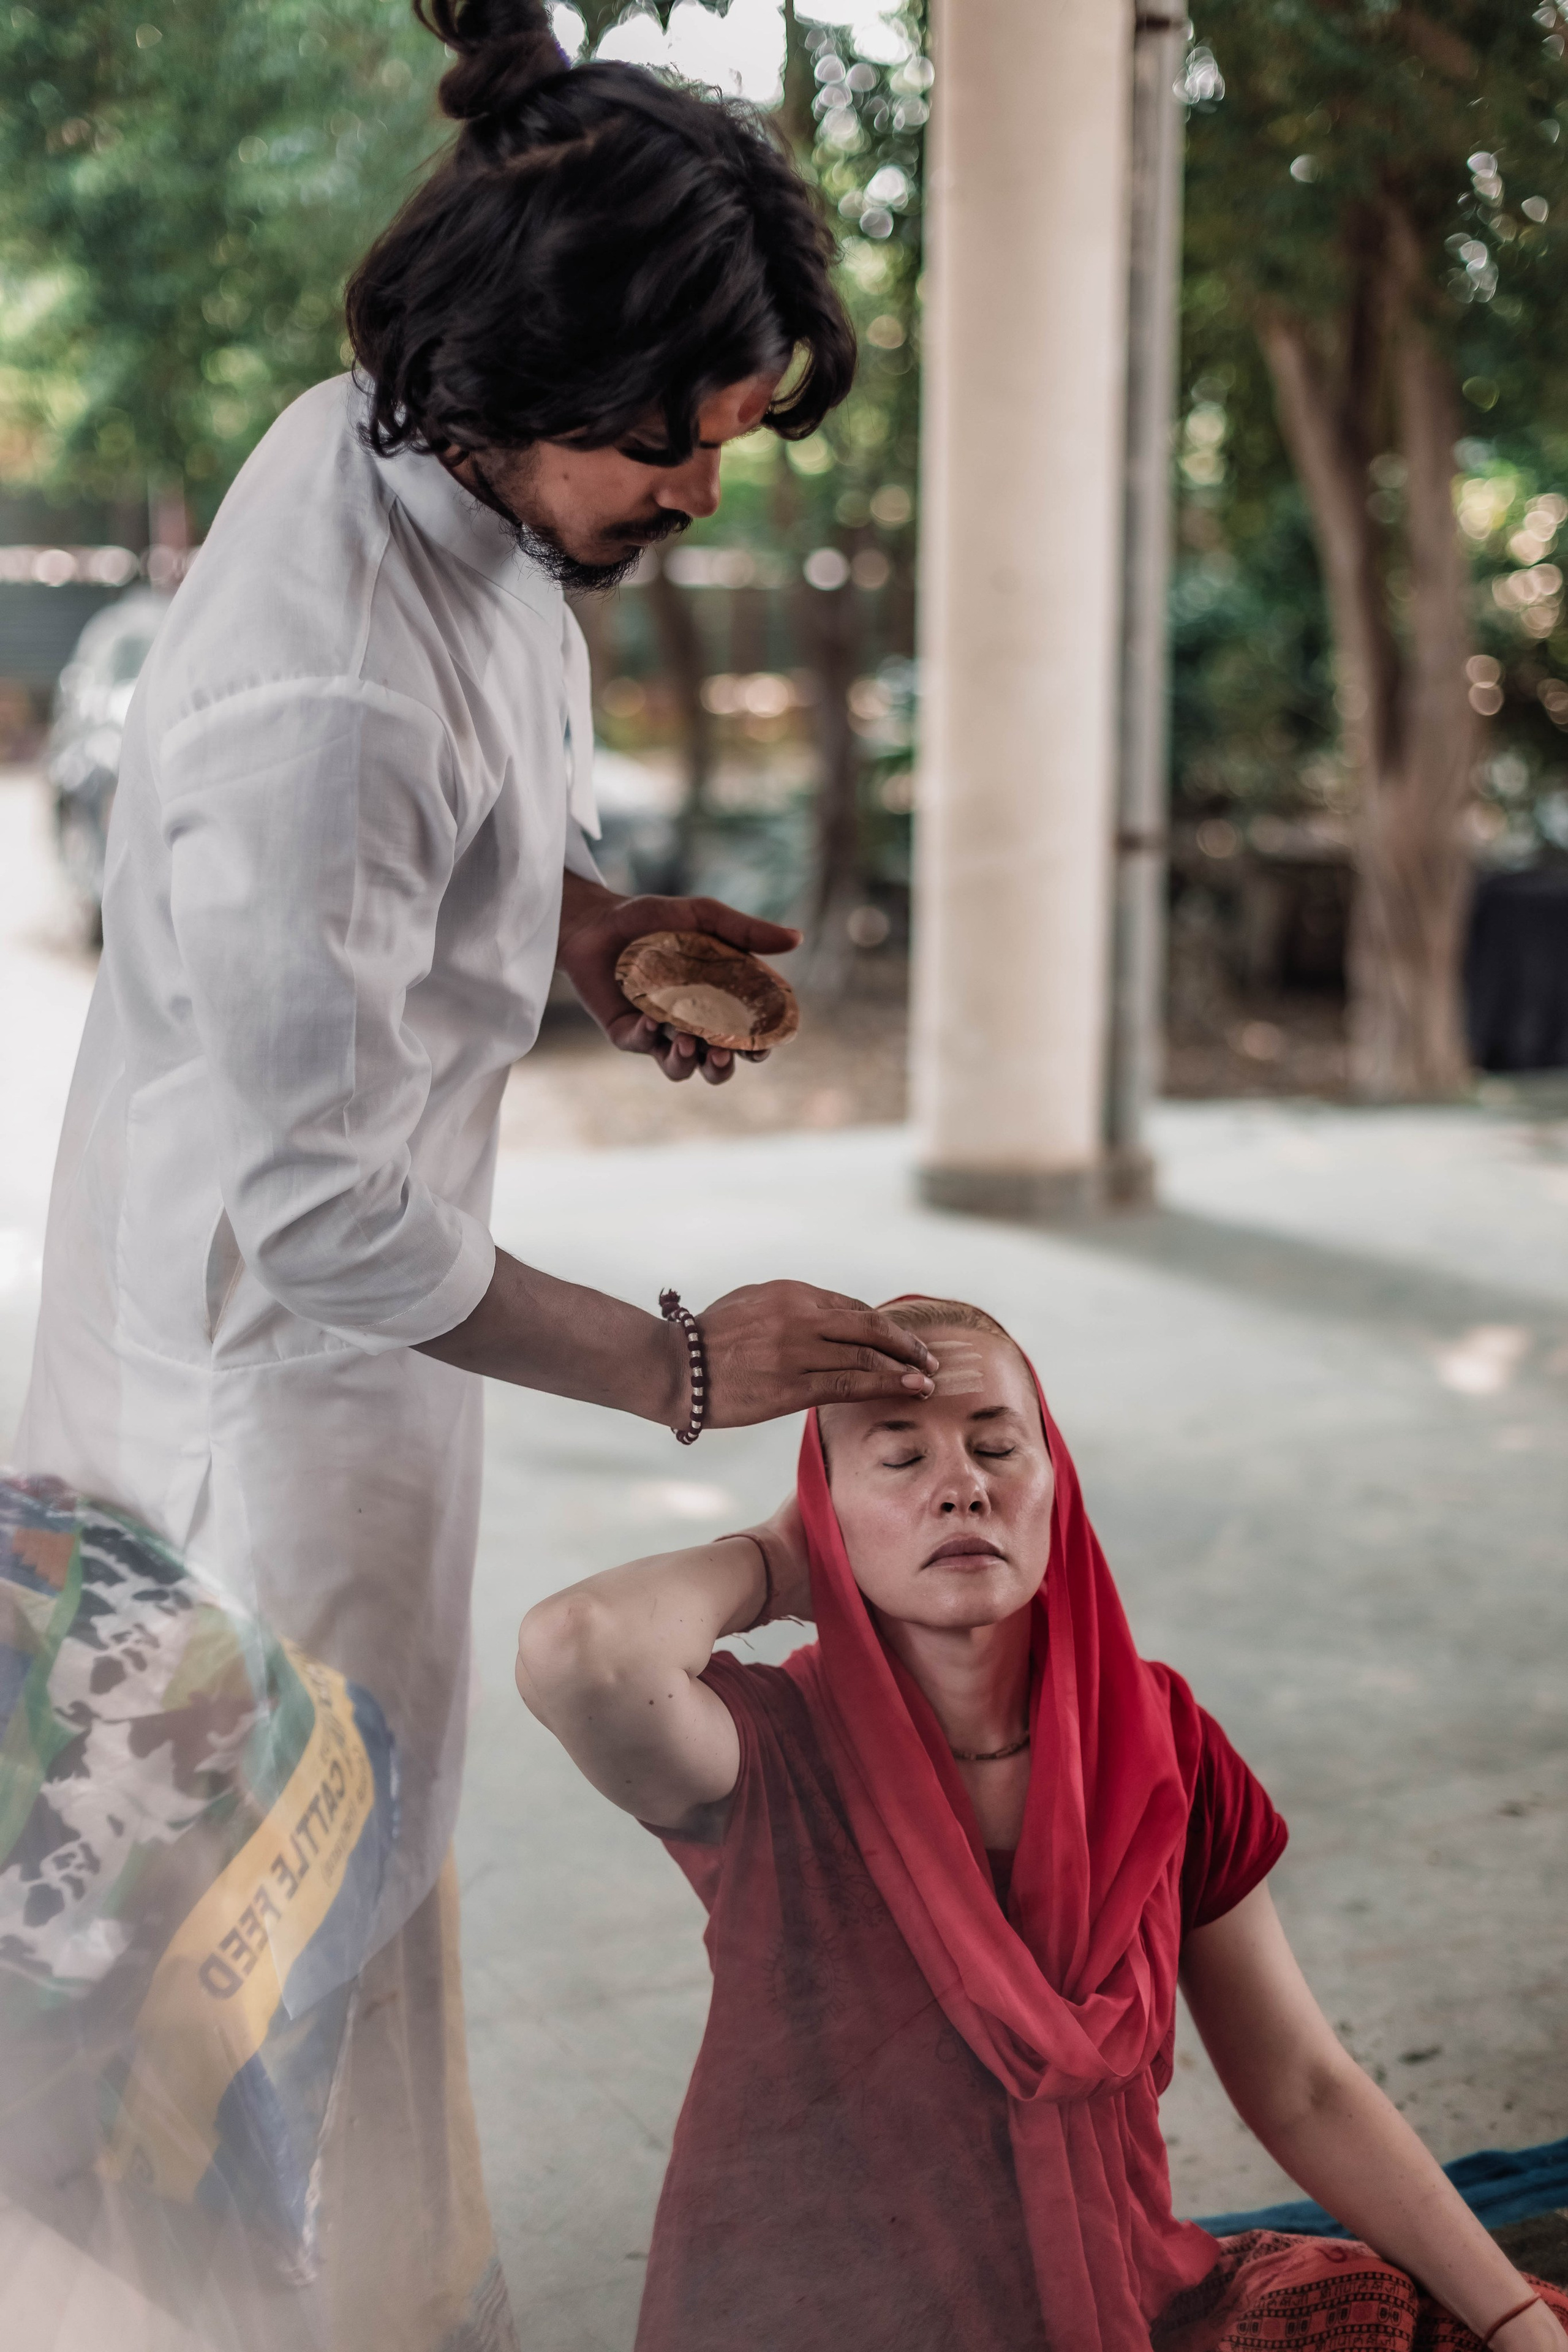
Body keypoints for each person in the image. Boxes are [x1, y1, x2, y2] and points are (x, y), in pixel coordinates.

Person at [10, 7, 937, 2345]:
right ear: (529, 364)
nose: (701, 494)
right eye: (676, 442)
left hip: (370, 1340)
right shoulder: (327, 675)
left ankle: (396, 2297)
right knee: (251, 1916)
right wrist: (681, 1361)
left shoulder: (450, 490)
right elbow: (326, 1213)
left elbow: (456, 848)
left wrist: (596, 929)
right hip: (264, 1366)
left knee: (363, 1868)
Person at [517, 1297, 1568, 2352]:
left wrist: (1517, 2320)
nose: (961, 1484)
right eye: (899, 1459)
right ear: (822, 1516)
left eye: (996, 1447)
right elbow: (580, 1649)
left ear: (1055, 1488)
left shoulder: (1161, 1740)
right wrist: (778, 1560)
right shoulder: (772, 1752)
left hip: (1121, 2301)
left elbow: (1300, 2083)